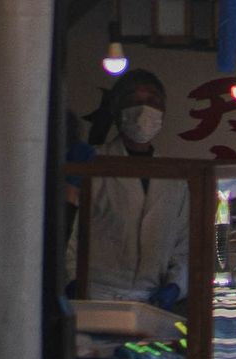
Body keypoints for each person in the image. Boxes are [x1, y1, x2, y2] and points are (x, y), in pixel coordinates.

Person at [75, 71, 187, 306]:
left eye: (152, 100)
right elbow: (69, 232)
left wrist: (176, 285)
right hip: (94, 294)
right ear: (117, 110)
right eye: (133, 101)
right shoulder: (93, 164)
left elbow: (183, 243)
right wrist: (70, 282)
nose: (144, 109)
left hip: (151, 299)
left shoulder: (175, 177)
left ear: (163, 111)